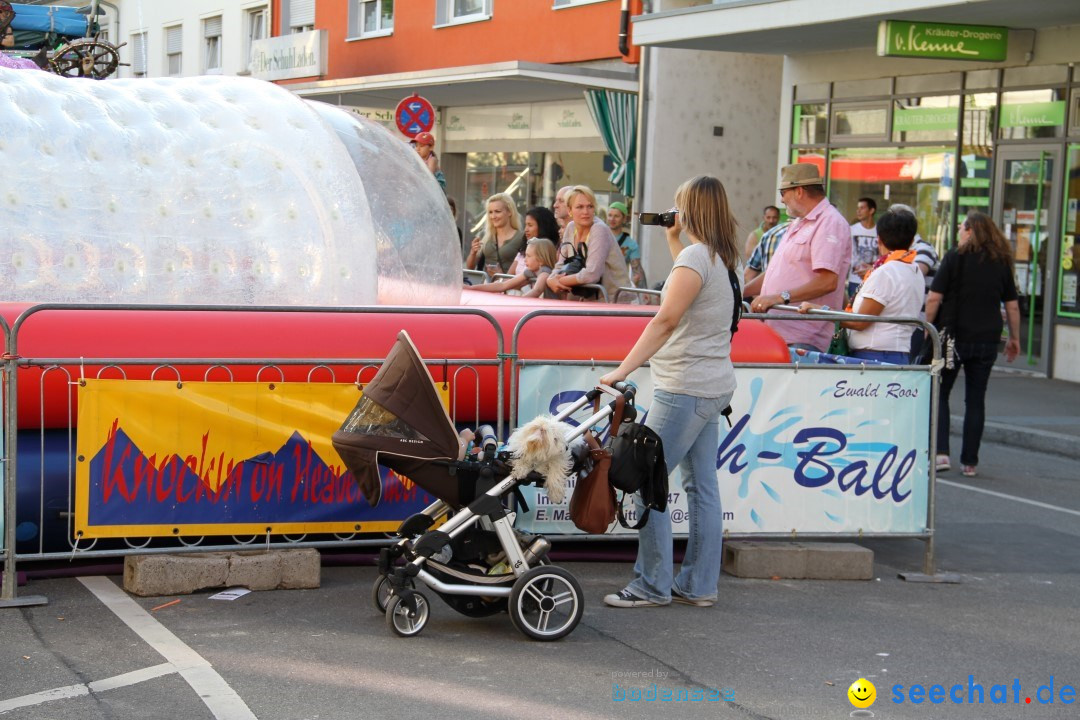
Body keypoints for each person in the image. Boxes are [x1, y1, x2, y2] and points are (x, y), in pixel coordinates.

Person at [599, 175, 740, 609]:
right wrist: (674, 240)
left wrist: (620, 371)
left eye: (679, 205)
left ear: (690, 209)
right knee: (701, 487)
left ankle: (651, 584)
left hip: (684, 388)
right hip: (713, 387)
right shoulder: (719, 257)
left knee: (646, 481)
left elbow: (665, 320)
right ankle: (698, 585)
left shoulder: (697, 259)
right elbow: (689, 290)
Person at [926, 211, 1020, 478]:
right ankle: (970, 462)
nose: (958, 232)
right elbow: (1011, 306)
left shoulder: (955, 257)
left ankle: (941, 453)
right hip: (987, 340)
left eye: (961, 228)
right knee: (976, 399)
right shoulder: (1001, 261)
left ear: (970, 231)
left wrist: (926, 328)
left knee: (941, 393)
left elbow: (934, 297)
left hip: (954, 338)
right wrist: (1014, 338)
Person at [797, 210, 924, 364]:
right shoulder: (914, 269)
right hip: (895, 354)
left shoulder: (886, 272)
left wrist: (819, 311)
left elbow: (860, 322)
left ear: (878, 240)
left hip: (874, 356)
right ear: (911, 241)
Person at [747, 164, 851, 352]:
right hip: (776, 332)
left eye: (783, 192)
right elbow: (775, 272)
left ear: (799, 191)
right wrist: (741, 292)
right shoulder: (798, 222)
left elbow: (828, 282)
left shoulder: (829, 222)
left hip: (802, 337)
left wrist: (780, 297)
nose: (781, 199)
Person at [546, 185, 630, 301]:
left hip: (614, 301)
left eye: (590, 206)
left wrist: (559, 281)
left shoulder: (599, 229)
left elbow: (592, 274)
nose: (586, 212)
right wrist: (551, 279)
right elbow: (561, 263)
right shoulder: (570, 228)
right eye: (580, 207)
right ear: (570, 210)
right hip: (590, 299)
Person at [888, 203, 940, 361]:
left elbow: (912, 273)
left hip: (917, 322)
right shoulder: (896, 252)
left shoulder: (923, 248)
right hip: (901, 322)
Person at [466, 238, 559, 299]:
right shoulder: (530, 271)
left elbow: (536, 291)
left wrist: (518, 303)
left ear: (541, 260)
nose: (525, 259)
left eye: (528, 256)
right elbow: (504, 285)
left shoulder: (545, 272)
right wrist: (472, 288)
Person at [464, 193, 525, 276]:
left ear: (510, 212)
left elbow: (525, 270)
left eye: (497, 211)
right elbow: (470, 267)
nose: (493, 216)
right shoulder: (484, 235)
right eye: (490, 212)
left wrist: (502, 275)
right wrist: (473, 252)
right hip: (486, 285)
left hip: (509, 286)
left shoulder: (521, 238)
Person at [508, 206, 561, 275]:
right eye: (526, 225)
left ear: (542, 227)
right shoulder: (523, 250)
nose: (526, 230)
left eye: (530, 225)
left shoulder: (554, 251)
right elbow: (508, 276)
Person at [607, 201, 646, 288]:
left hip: (617, 287)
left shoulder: (631, 244)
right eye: (610, 215)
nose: (612, 219)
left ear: (624, 219)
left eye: (616, 216)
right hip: (598, 285)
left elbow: (637, 272)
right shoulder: (599, 236)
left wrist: (631, 284)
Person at [743, 220, 789, 287]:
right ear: (764, 218)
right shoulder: (766, 235)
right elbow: (748, 273)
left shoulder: (772, 234)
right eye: (768, 217)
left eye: (774, 218)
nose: (771, 221)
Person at [849, 197, 878, 298]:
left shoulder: (879, 231)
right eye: (858, 208)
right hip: (854, 280)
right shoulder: (851, 230)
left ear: (871, 210)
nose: (858, 211)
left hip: (873, 280)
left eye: (862, 208)